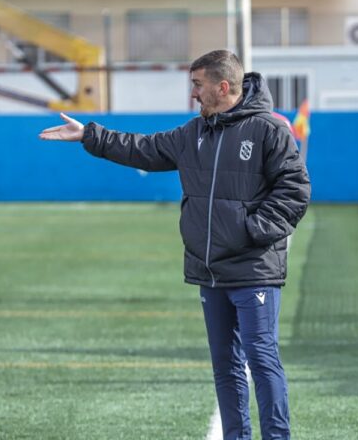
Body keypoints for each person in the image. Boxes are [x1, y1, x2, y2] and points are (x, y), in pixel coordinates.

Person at [39, 49, 311, 440]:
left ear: (222, 86)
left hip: (254, 270)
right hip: (210, 270)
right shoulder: (192, 133)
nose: (193, 95)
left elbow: (295, 190)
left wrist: (251, 231)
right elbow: (142, 149)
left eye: (198, 86)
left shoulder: (269, 130)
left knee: (262, 361)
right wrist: (89, 135)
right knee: (225, 365)